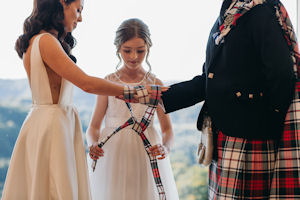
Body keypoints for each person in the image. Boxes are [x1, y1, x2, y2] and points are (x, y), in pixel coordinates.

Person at [1, 1, 162, 200]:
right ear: (61, 3)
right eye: (78, 9)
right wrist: (134, 91)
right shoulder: (46, 41)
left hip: (48, 124)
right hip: (53, 127)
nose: (80, 18)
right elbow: (87, 84)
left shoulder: (36, 41)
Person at [160, 0, 299, 199]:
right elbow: (209, 79)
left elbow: (281, 74)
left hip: (252, 137)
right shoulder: (228, 14)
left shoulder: (262, 12)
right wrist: (160, 96)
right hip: (224, 137)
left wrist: (267, 116)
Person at [86, 18, 179, 200]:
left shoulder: (155, 84)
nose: (134, 56)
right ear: (118, 48)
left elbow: (167, 130)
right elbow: (93, 127)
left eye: (140, 50)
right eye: (127, 50)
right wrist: (92, 144)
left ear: (148, 48)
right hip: (112, 154)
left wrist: (165, 148)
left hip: (145, 154)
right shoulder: (108, 82)